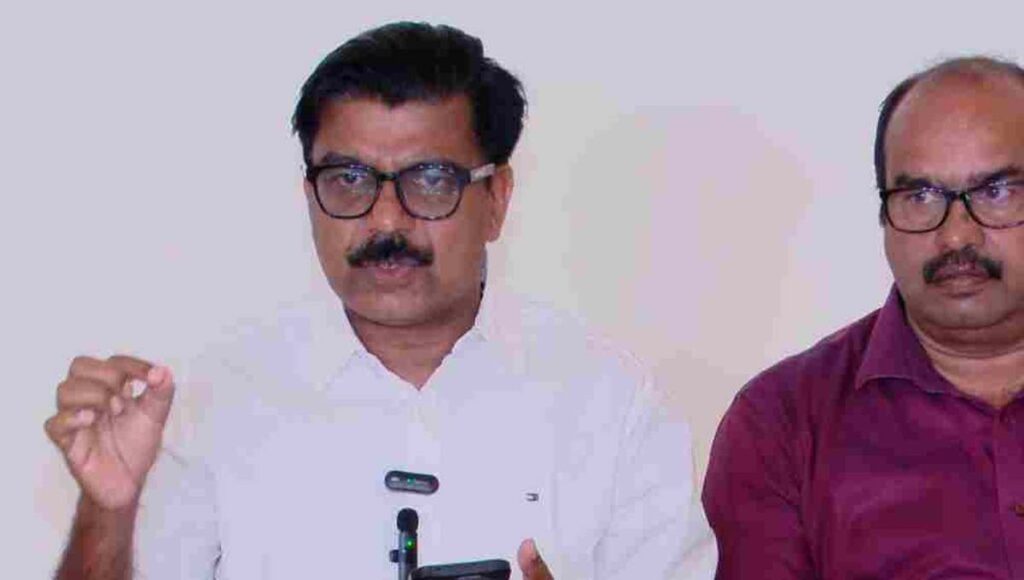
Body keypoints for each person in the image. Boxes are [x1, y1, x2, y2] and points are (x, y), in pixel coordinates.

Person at [44, 21, 696, 579]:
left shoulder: (609, 403)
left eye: (430, 180)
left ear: (496, 199)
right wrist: (108, 510)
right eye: (349, 178)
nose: (386, 221)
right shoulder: (214, 402)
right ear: (309, 196)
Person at [703, 55, 1024, 579]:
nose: (956, 235)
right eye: (920, 196)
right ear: (884, 215)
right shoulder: (783, 425)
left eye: (996, 192)